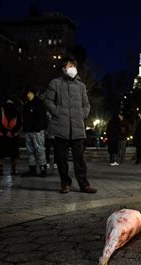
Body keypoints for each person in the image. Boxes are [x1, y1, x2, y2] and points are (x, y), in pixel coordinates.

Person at [43, 56, 97, 193]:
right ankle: (65, 183)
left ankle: (84, 184)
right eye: (69, 66)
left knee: (80, 160)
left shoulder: (81, 86)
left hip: (78, 129)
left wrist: (82, 115)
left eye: (74, 66)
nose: (72, 68)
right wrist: (58, 112)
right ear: (63, 69)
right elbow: (48, 101)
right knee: (61, 160)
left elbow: (86, 105)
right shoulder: (55, 83)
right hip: (61, 128)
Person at [21, 88, 48, 177]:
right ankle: (32, 170)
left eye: (29, 93)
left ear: (32, 93)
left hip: (37, 131)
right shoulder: (27, 104)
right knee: (30, 151)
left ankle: (43, 170)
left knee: (39, 150)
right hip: (29, 131)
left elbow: (42, 117)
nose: (27, 95)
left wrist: (38, 128)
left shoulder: (39, 103)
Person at [0, 98, 21, 176]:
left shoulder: (1, 110)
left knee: (1, 154)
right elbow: (19, 124)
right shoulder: (17, 111)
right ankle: (13, 170)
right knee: (13, 154)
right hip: (13, 136)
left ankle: (1, 170)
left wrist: (6, 132)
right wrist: (11, 132)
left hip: (2, 135)